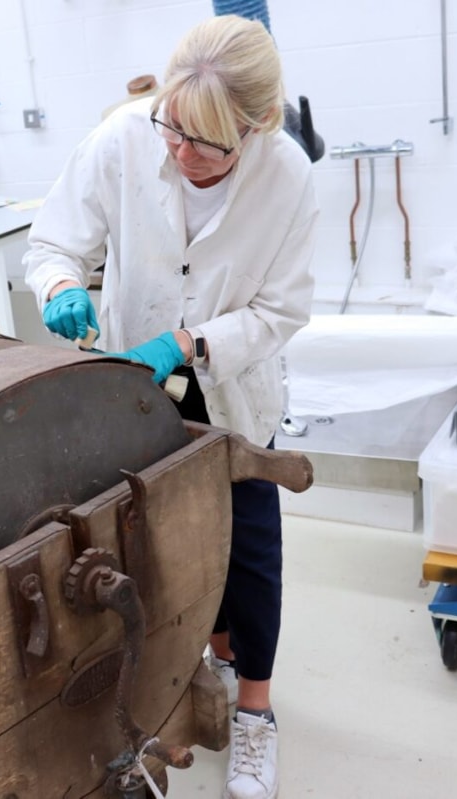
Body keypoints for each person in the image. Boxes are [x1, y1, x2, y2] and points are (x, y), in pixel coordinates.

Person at [23, 15, 317, 799]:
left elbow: (281, 312)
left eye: (205, 145)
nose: (179, 153)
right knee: (159, 545)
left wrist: (187, 341)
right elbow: (52, 243)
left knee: (248, 552)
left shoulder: (287, 176)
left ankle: (253, 711)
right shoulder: (126, 138)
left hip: (229, 386)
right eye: (173, 130)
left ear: (253, 131)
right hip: (132, 388)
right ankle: (198, 668)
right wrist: (58, 286)